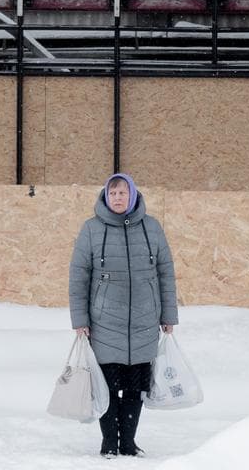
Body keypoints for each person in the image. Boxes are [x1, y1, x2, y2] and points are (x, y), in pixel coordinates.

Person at [69, 173, 178, 458]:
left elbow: (165, 272)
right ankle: (109, 443)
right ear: (106, 196)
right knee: (107, 388)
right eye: (113, 193)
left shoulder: (151, 228)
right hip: (104, 323)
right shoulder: (91, 229)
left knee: (135, 389)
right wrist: (80, 320)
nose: (118, 198)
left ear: (133, 195)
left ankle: (128, 443)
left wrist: (169, 315)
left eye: (123, 193)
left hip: (144, 321)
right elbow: (78, 278)